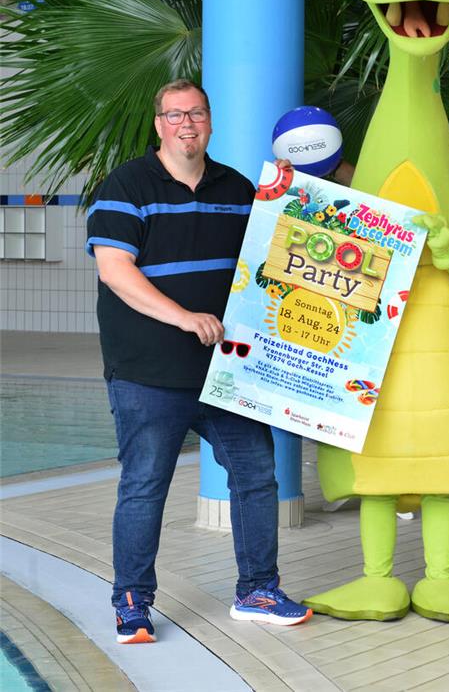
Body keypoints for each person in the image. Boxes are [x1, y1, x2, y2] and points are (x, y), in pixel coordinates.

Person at [87, 79, 312, 644]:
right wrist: (186, 317)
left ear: (210, 121)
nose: (187, 124)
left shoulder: (237, 189)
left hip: (227, 371)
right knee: (145, 485)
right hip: (149, 373)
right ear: (158, 123)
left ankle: (258, 589)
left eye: (197, 114)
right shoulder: (126, 186)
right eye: (175, 115)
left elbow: (273, 261)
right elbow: (115, 271)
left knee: (257, 476)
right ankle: (132, 603)